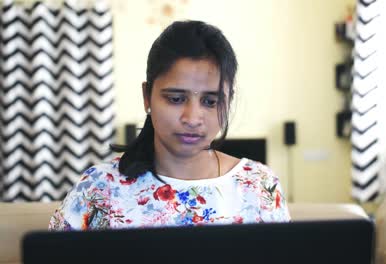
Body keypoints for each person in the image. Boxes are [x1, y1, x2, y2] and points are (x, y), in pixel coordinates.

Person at [49, 20, 290, 230]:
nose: (193, 118)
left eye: (210, 101)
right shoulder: (99, 188)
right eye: (176, 99)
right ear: (147, 97)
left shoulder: (259, 186)